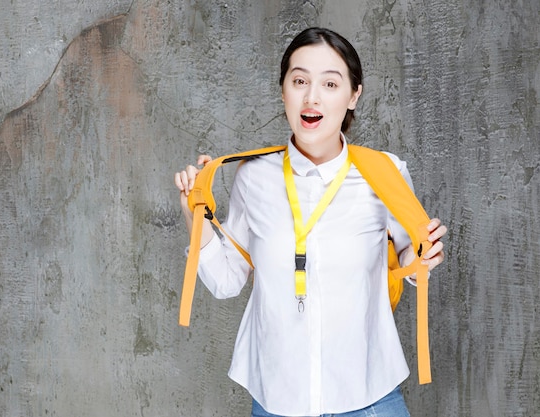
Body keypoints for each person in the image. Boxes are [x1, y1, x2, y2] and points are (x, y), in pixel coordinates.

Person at [174, 27, 447, 417]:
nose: (311, 97)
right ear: (283, 89)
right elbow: (226, 281)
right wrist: (193, 212)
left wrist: (424, 257)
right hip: (278, 401)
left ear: (354, 95)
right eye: (299, 80)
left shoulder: (384, 172)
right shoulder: (253, 176)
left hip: (368, 397)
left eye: (330, 83)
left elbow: (410, 262)